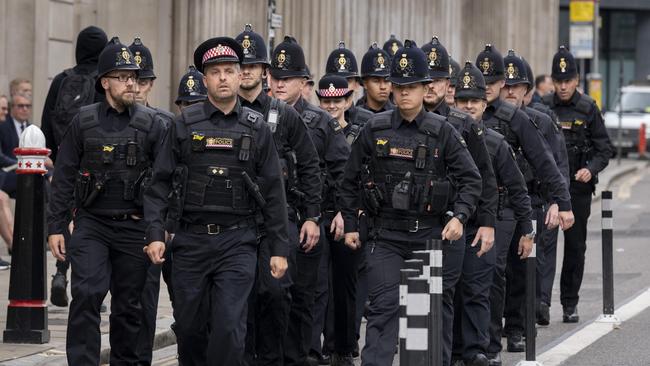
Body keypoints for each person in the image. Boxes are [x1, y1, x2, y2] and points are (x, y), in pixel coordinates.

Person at [339, 39, 483, 366]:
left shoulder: (443, 131)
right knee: (383, 308)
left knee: (420, 323)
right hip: (384, 236)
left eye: (413, 86)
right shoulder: (373, 129)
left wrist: (459, 217)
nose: (405, 92)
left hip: (426, 236)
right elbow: (348, 181)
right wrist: (350, 224)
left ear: (425, 88)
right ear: (391, 88)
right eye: (400, 86)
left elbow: (472, 180)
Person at [157, 35, 289, 366]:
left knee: (230, 327)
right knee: (189, 328)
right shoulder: (184, 124)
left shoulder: (256, 128)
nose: (223, 78)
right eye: (215, 72)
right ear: (205, 80)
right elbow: (160, 182)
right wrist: (155, 232)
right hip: (190, 241)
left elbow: (273, 191)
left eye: (230, 70)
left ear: (239, 74)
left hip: (237, 241)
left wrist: (279, 249)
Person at [47, 36, 171, 365]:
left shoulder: (152, 126)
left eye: (134, 77)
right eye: (122, 77)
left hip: (134, 227)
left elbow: (162, 184)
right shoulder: (83, 122)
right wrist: (56, 226)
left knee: (130, 307)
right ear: (104, 82)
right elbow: (63, 175)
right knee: (86, 295)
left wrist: (158, 231)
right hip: (93, 224)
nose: (131, 82)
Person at [234, 24, 322, 366]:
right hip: (234, 218)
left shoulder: (284, 115)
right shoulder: (221, 114)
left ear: (264, 73)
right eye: (240, 67)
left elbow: (311, 167)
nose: (245, 73)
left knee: (276, 292)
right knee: (240, 297)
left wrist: (312, 215)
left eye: (252, 67)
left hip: (278, 217)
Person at [268, 35, 350, 366]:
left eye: (288, 78)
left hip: (310, 218)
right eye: (276, 77)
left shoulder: (321, 122)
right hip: (270, 219)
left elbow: (344, 171)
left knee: (307, 295)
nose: (280, 84)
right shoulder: (256, 116)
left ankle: (306, 354)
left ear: (304, 82)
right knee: (271, 295)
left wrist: (335, 212)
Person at [419, 36, 498, 366]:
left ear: (446, 84)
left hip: (450, 223)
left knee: (441, 297)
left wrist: (488, 224)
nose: (432, 86)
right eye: (427, 79)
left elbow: (485, 179)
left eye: (438, 79)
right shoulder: (390, 123)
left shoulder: (463, 125)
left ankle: (443, 358)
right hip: (402, 228)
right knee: (411, 300)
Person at [454, 61, 534, 366]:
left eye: (474, 101)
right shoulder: (442, 136)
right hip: (453, 227)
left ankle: (480, 349)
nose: (469, 107)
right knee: (454, 292)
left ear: (485, 104)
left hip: (486, 225)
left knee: (480, 290)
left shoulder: (495, 143)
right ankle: (455, 351)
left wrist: (526, 229)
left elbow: (517, 188)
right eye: (463, 101)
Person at [543, 45, 612, 323]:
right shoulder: (542, 107)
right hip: (548, 190)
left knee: (575, 248)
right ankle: (541, 304)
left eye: (567, 81)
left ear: (576, 81)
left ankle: (569, 303)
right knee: (544, 248)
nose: (562, 86)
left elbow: (604, 148)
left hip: (577, 189)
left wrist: (590, 168)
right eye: (558, 81)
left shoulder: (587, 108)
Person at [41, 24, 108, 309]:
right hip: (94, 167)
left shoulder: (61, 80)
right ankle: (92, 286)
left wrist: (56, 158)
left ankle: (60, 272)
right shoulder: (103, 82)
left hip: (63, 163)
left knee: (64, 215)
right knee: (89, 222)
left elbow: (46, 123)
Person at [127, 36, 175, 366]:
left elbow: (173, 180)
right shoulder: (103, 120)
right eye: (131, 79)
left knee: (145, 301)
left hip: (149, 225)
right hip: (110, 221)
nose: (136, 87)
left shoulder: (165, 124)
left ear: (151, 84)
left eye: (142, 81)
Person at [0, 93, 34, 198]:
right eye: (20, 106)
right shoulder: (3, 126)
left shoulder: (33, 130)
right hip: (8, 173)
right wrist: (22, 164)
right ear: (12, 108)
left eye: (27, 106)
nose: (25, 109)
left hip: (26, 173)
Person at [356, 43, 394, 114]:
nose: (383, 87)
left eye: (387, 80)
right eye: (376, 81)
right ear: (365, 83)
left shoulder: (399, 115)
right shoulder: (353, 116)